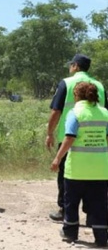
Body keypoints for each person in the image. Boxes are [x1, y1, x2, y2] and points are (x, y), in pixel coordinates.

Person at [46, 54, 107, 221]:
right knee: (94, 177)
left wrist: (49, 133)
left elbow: (56, 111)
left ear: (75, 66)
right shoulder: (100, 86)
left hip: (69, 138)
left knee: (67, 176)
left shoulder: (66, 83)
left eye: (71, 65)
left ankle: (65, 211)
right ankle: (92, 214)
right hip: (97, 140)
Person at [51, 82, 108, 247]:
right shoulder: (105, 113)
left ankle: (70, 232)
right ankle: (101, 237)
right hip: (100, 169)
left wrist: (57, 158)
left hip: (77, 169)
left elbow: (69, 138)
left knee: (72, 202)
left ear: (77, 96)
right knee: (99, 204)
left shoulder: (75, 113)